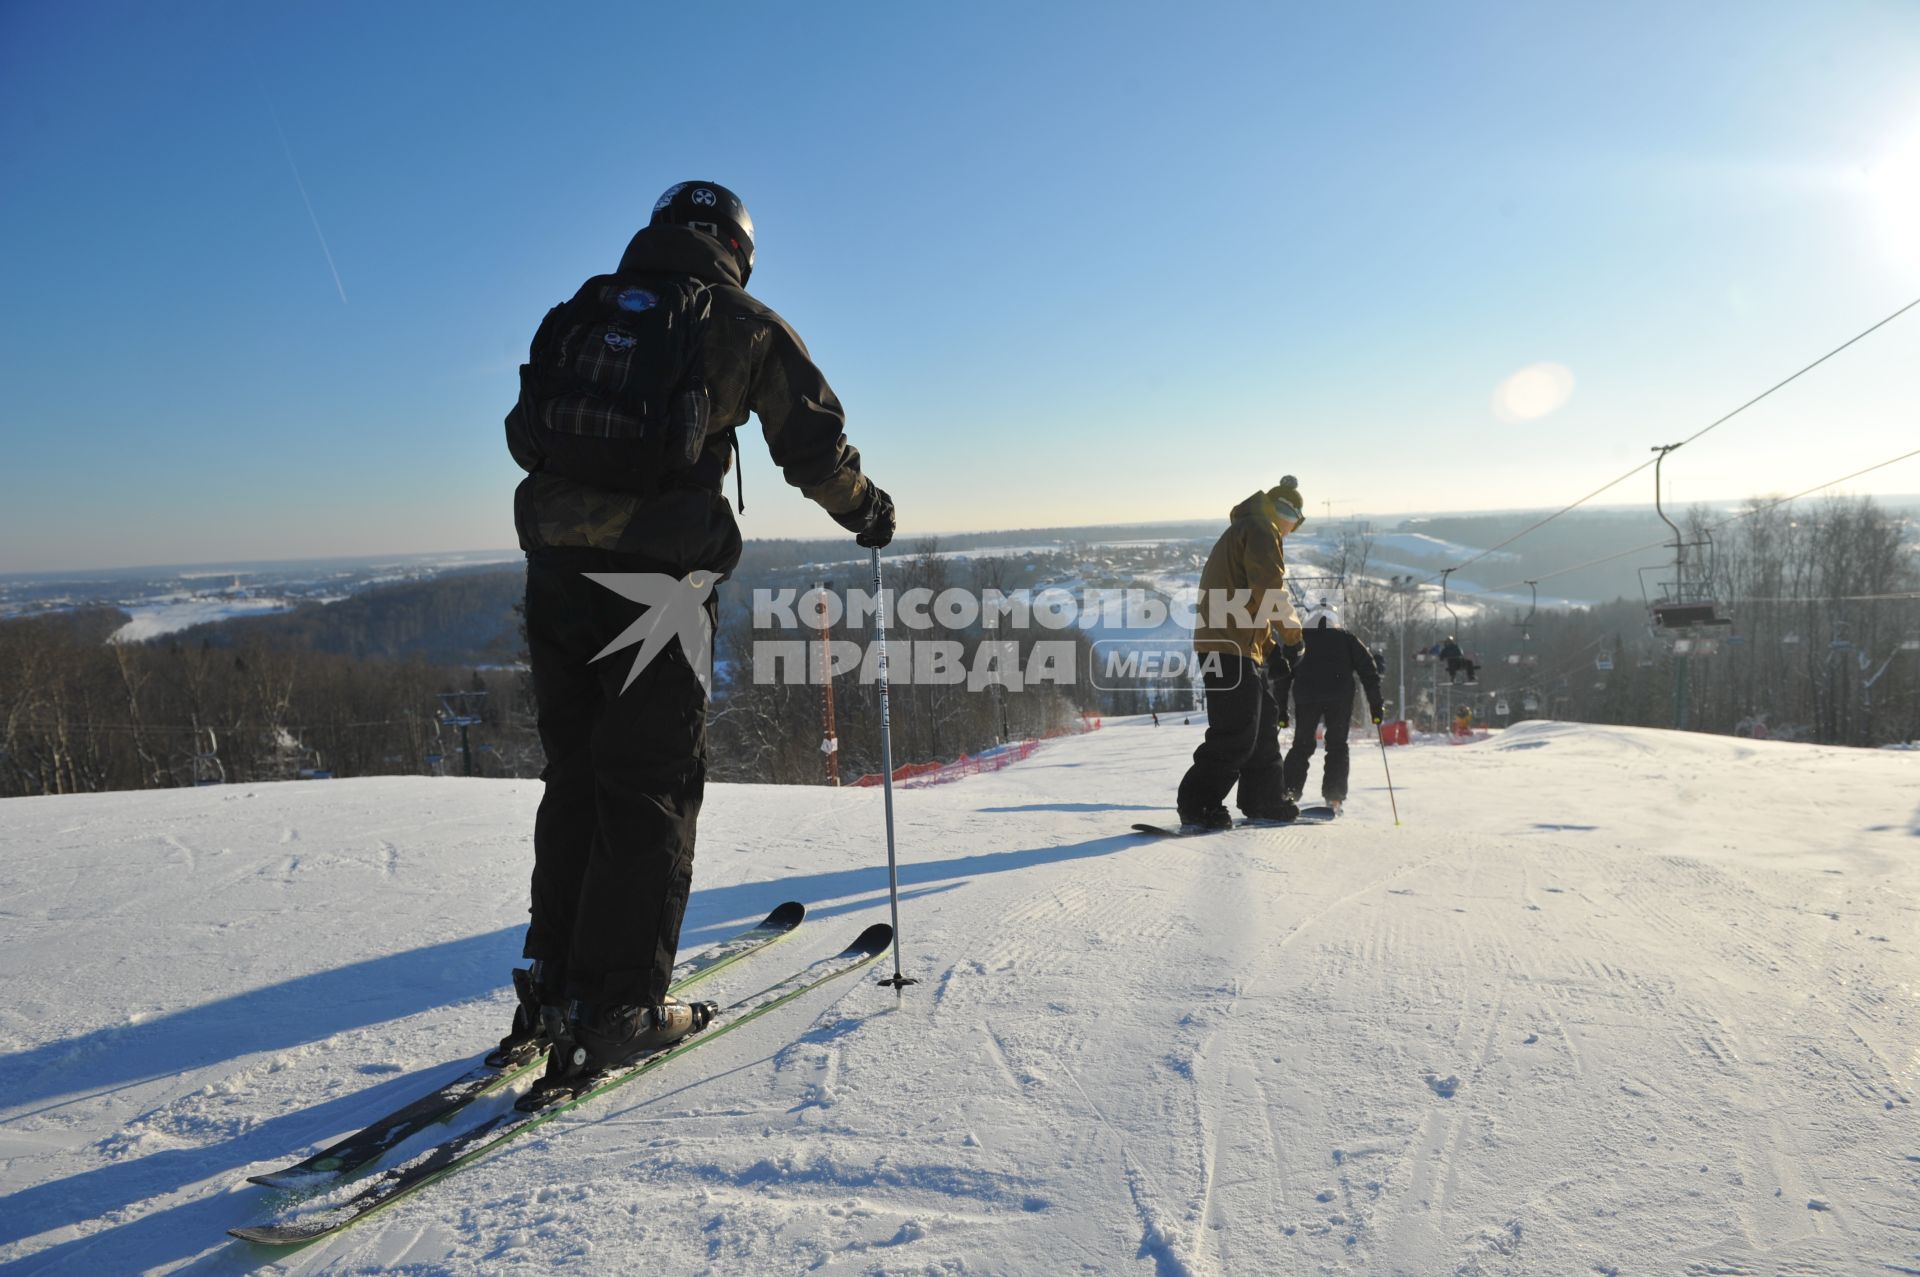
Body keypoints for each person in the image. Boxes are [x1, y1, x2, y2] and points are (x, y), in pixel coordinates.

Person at [497, 181, 895, 1093]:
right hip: (659, 588)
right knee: (651, 785)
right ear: (735, 246)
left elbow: (525, 435)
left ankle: (552, 982)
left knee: (578, 775)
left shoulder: (582, 310)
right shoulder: (737, 319)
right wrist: (868, 511)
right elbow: (815, 446)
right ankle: (622, 1007)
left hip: (553, 570)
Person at [1175, 477, 1307, 829]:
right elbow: (1269, 590)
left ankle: (1263, 799)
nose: (1291, 531)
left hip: (1237, 646)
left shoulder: (1248, 528)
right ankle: (1198, 805)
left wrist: (1271, 650)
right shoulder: (1262, 530)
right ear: (1288, 516)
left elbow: (1248, 603)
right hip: (1228, 647)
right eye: (1293, 523)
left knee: (1264, 724)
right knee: (1236, 730)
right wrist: (1293, 638)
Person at [1281, 604, 1384, 812]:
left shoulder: (1299, 639)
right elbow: (1369, 671)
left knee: (1301, 745)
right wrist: (1376, 707)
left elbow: (1282, 675)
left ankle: (1288, 793)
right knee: (1337, 745)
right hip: (1339, 696)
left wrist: (1280, 710)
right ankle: (1334, 797)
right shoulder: (1346, 639)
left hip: (1307, 696)